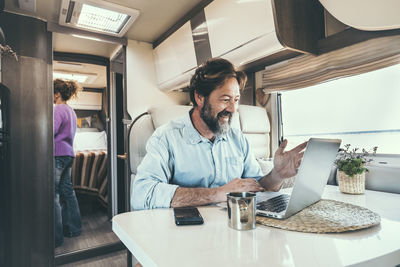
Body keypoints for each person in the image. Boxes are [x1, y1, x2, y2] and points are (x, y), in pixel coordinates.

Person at [131, 58, 306, 210]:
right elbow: (142, 194)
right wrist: (218, 194)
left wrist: (278, 175)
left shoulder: (238, 139)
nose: (233, 109)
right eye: (225, 100)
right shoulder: (166, 138)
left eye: (236, 100)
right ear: (199, 98)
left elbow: (256, 186)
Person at [53, 79, 82, 247]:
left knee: (54, 194)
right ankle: (74, 228)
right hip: (69, 154)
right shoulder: (71, 111)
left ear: (57, 93)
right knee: (68, 192)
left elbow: (52, 131)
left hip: (57, 154)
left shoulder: (58, 109)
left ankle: (56, 238)